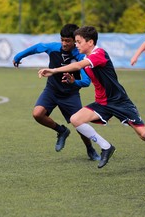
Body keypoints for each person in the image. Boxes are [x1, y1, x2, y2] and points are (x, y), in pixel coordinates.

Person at [38, 26, 145, 175]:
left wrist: (53, 70)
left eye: (78, 41)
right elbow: (87, 81)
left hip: (120, 102)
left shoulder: (99, 54)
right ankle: (106, 147)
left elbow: (78, 65)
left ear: (90, 42)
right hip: (102, 103)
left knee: (144, 135)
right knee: (75, 119)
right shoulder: (86, 59)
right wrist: (73, 82)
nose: (75, 45)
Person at [13, 24, 101, 161]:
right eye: (62, 40)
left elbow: (86, 81)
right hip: (52, 91)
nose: (64, 43)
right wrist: (19, 56)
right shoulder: (54, 48)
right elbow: (37, 47)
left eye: (68, 41)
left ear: (75, 41)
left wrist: (74, 82)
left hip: (70, 95)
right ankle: (61, 131)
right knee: (37, 114)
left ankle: (90, 149)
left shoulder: (80, 58)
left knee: (80, 125)